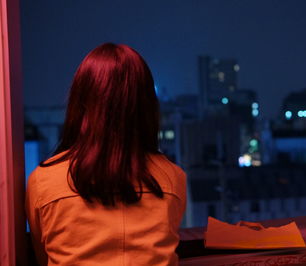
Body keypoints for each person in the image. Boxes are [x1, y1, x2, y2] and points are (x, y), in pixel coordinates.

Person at [26, 43, 187, 266]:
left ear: (80, 104)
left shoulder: (43, 181)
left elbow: (43, 256)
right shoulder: (173, 178)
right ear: (147, 107)